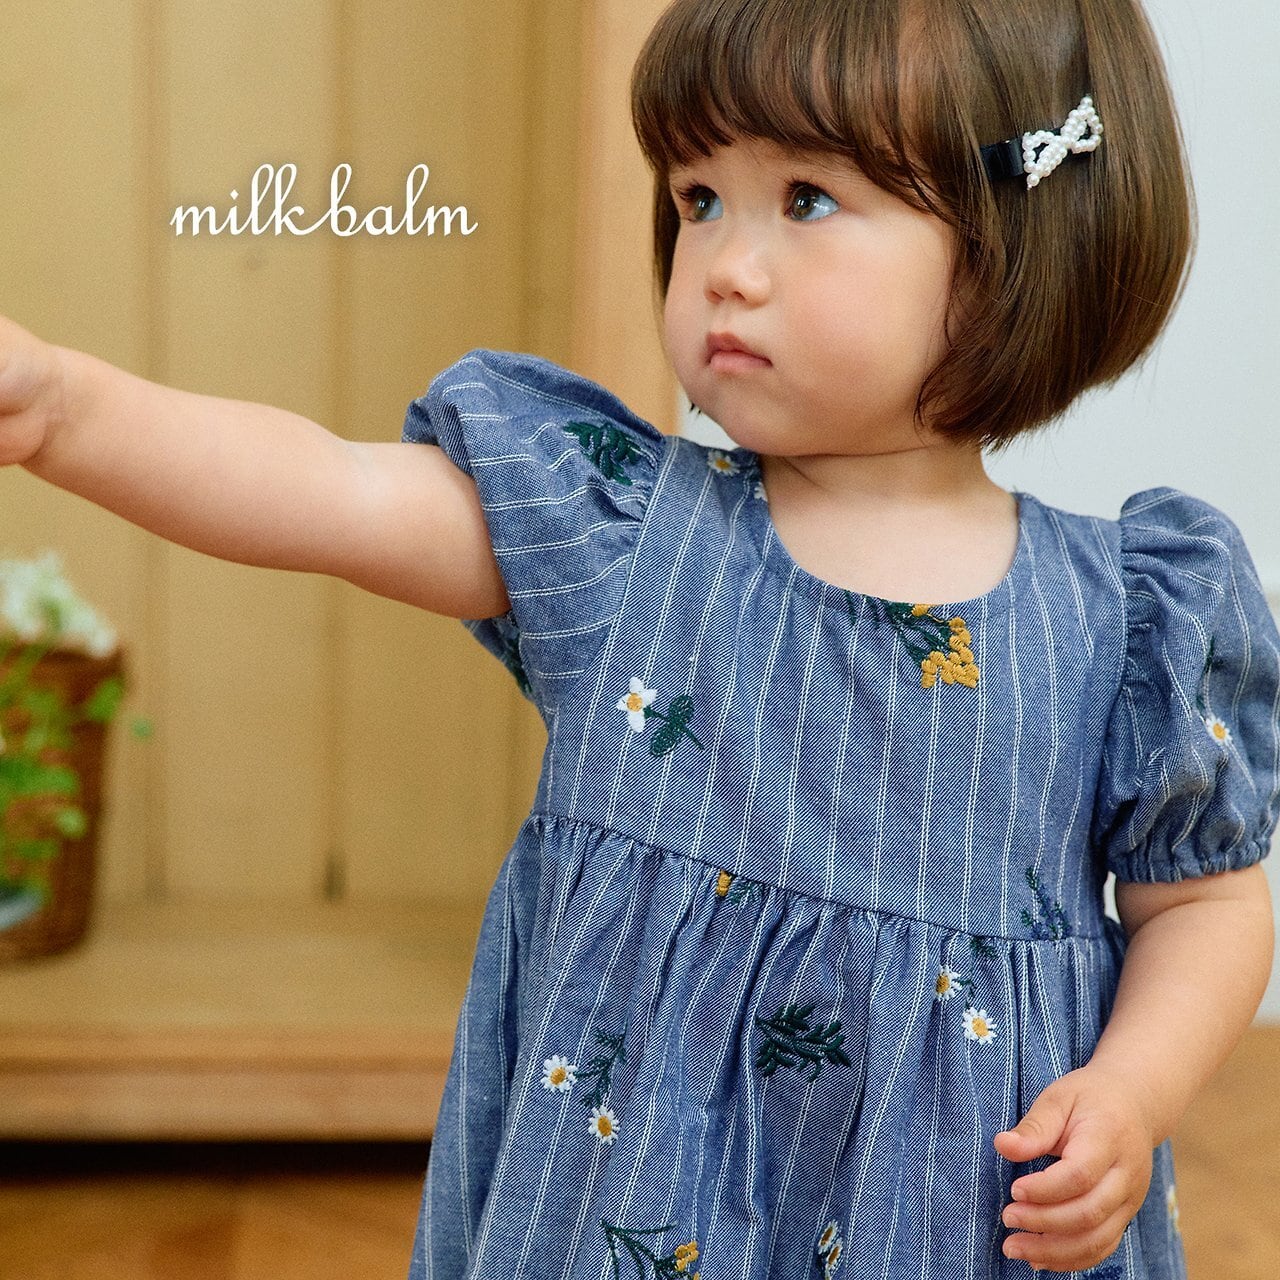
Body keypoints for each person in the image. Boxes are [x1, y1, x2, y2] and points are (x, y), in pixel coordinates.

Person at [0, 0, 1275, 1274]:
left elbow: (1205, 906)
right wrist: (64, 407)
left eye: (806, 198)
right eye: (698, 198)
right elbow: (336, 491)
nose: (723, 263)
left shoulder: (1126, 619)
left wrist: (1131, 1088)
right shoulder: (621, 536)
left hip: (957, 1219)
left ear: (1019, 238)